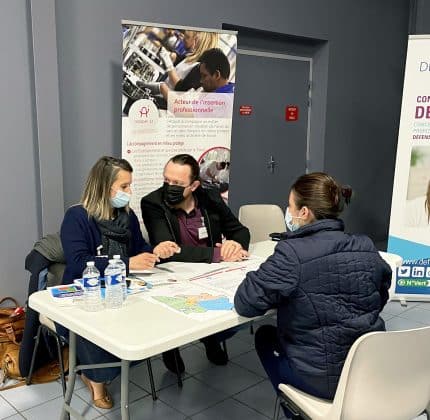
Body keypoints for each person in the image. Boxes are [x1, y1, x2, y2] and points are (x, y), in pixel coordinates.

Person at [234, 172, 392, 418]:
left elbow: (245, 302)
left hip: (324, 379)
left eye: (290, 206)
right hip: (369, 369)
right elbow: (381, 295)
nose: (288, 211)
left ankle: (295, 410)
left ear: (304, 212)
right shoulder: (365, 245)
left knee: (265, 335)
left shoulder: (292, 253)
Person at [60, 156, 179, 409]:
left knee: (148, 327)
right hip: (84, 297)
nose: (130, 192)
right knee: (100, 343)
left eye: (129, 186)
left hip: (122, 291)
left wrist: (156, 252)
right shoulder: (77, 217)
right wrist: (127, 263)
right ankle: (95, 378)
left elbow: (140, 250)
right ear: (104, 186)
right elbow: (79, 264)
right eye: (124, 187)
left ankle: (103, 369)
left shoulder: (127, 215)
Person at [141, 154, 250, 373]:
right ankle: (170, 347)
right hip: (174, 275)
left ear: (194, 185)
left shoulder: (210, 198)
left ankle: (212, 338)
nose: (169, 187)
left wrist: (235, 245)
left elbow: (240, 231)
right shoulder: (152, 202)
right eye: (166, 181)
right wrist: (216, 254)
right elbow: (169, 251)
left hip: (212, 275)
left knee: (236, 310)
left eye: (177, 184)